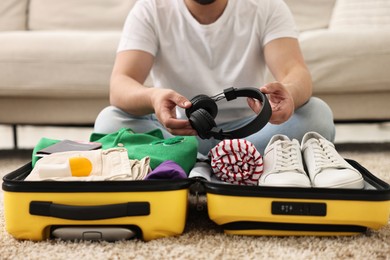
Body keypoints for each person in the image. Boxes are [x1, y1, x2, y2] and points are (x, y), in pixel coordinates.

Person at [94, 0, 335, 155]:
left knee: (317, 115)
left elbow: (296, 72)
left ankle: (189, 161)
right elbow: (120, 84)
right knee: (109, 121)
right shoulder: (150, 8)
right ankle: (235, 161)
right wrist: (153, 97)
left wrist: (289, 93)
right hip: (178, 134)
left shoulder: (267, 6)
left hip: (252, 131)